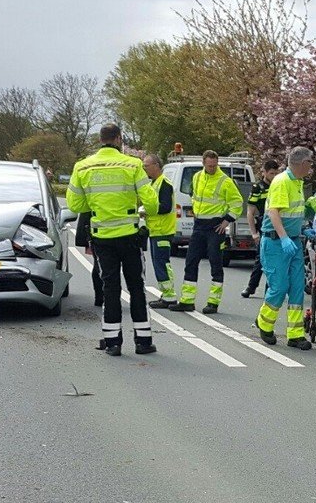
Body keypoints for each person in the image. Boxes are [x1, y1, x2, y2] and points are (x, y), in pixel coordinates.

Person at [66, 124, 158, 356]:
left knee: (110, 288)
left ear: (100, 140)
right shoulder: (133, 164)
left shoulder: (82, 166)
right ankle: (143, 342)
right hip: (129, 237)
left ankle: (113, 342)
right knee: (136, 287)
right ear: (119, 139)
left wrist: (98, 207)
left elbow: (75, 205)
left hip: (102, 238)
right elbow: (152, 203)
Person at [255, 146, 315, 350]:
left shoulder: (297, 182)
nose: (311, 167)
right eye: (310, 163)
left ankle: (295, 334)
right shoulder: (282, 182)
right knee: (279, 287)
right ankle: (264, 322)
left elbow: (293, 211)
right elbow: (273, 212)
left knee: (297, 289)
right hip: (276, 242)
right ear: (302, 163)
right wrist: (283, 238)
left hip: (293, 241)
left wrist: (303, 227)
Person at [170, 150, 244, 314]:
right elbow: (194, 196)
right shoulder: (197, 177)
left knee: (215, 264)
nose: (212, 168)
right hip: (199, 225)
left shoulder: (225, 181)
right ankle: (187, 301)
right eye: (209, 165)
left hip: (215, 227)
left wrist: (226, 221)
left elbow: (237, 203)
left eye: (215, 165)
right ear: (203, 163)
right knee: (191, 261)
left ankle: (213, 302)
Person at [142, 154, 178, 308]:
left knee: (162, 263)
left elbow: (165, 207)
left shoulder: (164, 184)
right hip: (156, 230)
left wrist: (147, 211)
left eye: (147, 165)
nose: (144, 168)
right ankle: (166, 294)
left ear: (156, 165)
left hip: (163, 230)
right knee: (159, 263)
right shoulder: (154, 183)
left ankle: (169, 296)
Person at [241, 160, 281, 298]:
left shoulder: (280, 185)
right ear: (264, 172)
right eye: (271, 173)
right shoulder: (258, 187)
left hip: (279, 223)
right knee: (261, 258)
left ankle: (269, 288)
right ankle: (251, 287)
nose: (274, 176)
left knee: (275, 259)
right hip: (264, 223)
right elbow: (250, 212)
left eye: (276, 173)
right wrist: (254, 233)